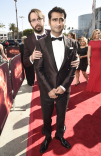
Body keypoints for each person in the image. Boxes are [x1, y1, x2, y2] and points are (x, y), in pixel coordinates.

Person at [34, 7, 78, 153]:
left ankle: (60, 135)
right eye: (55, 19)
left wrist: (63, 87)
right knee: (46, 117)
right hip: (47, 89)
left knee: (62, 116)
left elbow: (72, 69)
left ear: (64, 21)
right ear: (49, 22)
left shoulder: (73, 43)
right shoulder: (40, 43)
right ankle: (47, 136)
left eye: (61, 19)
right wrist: (49, 89)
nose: (58, 23)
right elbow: (39, 69)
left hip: (64, 89)